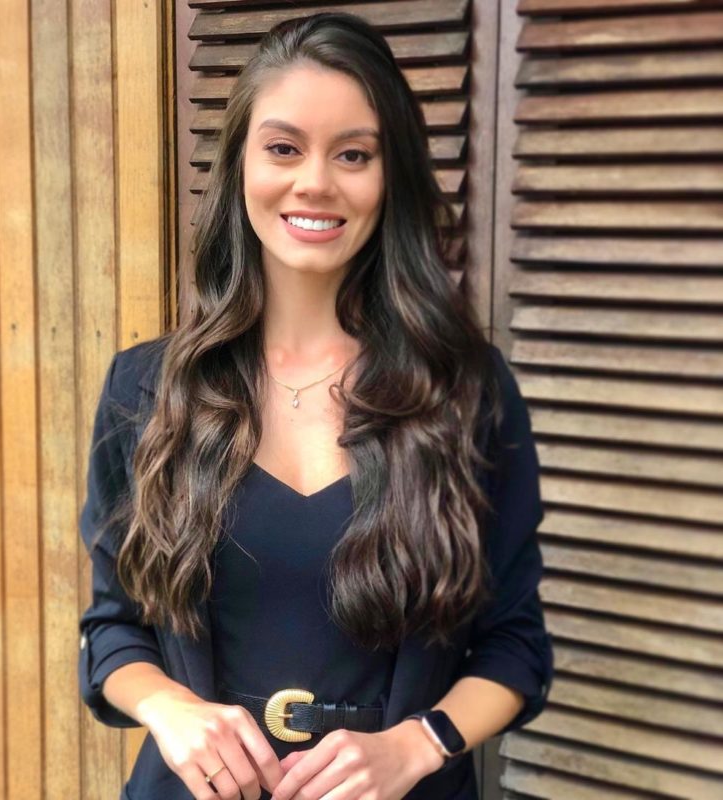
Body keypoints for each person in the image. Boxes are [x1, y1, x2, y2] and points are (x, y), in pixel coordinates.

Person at [78, 11, 553, 800]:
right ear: (240, 164)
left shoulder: (466, 392)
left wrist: (416, 745)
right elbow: (112, 629)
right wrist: (169, 708)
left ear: (390, 176)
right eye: (283, 148)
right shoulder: (146, 389)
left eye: (353, 154)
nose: (315, 182)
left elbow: (515, 647)